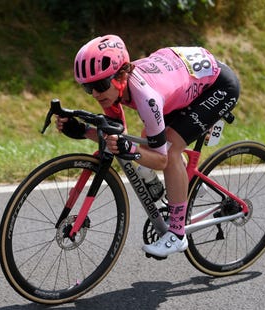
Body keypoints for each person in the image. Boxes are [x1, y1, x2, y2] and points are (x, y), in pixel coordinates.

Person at [56, 34, 240, 258]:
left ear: (121, 75)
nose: (95, 94)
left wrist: (130, 150)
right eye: (88, 88)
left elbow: (160, 159)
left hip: (218, 86)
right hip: (182, 78)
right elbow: (117, 133)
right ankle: (185, 184)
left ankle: (177, 234)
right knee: (147, 142)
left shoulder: (146, 98)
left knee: (169, 152)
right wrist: (83, 131)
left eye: (101, 85)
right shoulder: (115, 91)